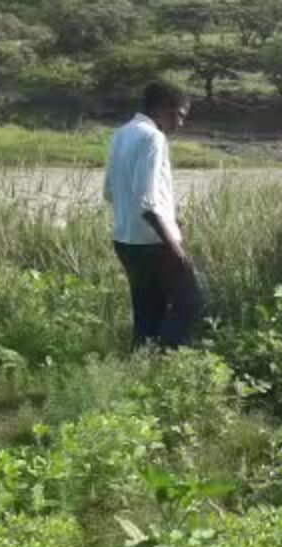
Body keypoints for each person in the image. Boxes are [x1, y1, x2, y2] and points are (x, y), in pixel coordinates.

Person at [104, 81, 199, 350]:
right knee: (190, 302)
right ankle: (168, 361)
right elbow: (148, 203)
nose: (180, 123)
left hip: (125, 241)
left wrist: (170, 219)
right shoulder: (153, 138)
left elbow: (110, 192)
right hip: (153, 245)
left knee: (147, 312)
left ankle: (143, 365)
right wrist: (175, 247)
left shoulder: (121, 134)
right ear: (161, 108)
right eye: (178, 114)